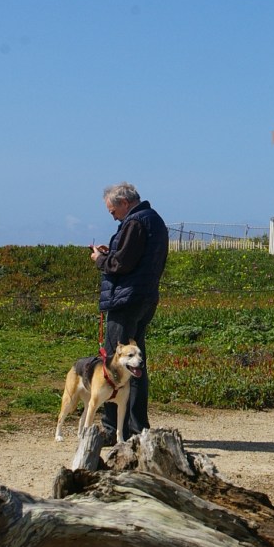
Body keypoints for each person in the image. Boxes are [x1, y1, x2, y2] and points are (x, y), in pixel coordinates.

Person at [92, 182, 169, 443]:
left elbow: (122, 263)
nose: (113, 216)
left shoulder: (135, 223)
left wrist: (100, 260)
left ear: (125, 203)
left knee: (116, 363)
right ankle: (137, 428)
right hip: (145, 297)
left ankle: (112, 429)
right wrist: (113, 253)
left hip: (127, 300)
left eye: (113, 211)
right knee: (136, 363)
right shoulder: (154, 220)